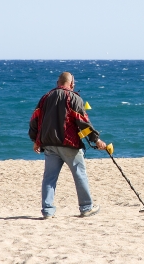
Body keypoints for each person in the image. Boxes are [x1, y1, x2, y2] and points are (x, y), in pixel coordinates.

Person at [29, 72, 106, 219]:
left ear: (58, 82)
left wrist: (35, 140)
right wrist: (96, 140)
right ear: (71, 84)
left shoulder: (45, 98)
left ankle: (47, 211)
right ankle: (86, 207)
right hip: (69, 143)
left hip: (49, 143)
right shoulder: (74, 98)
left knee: (49, 178)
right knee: (79, 174)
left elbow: (34, 120)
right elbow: (83, 122)